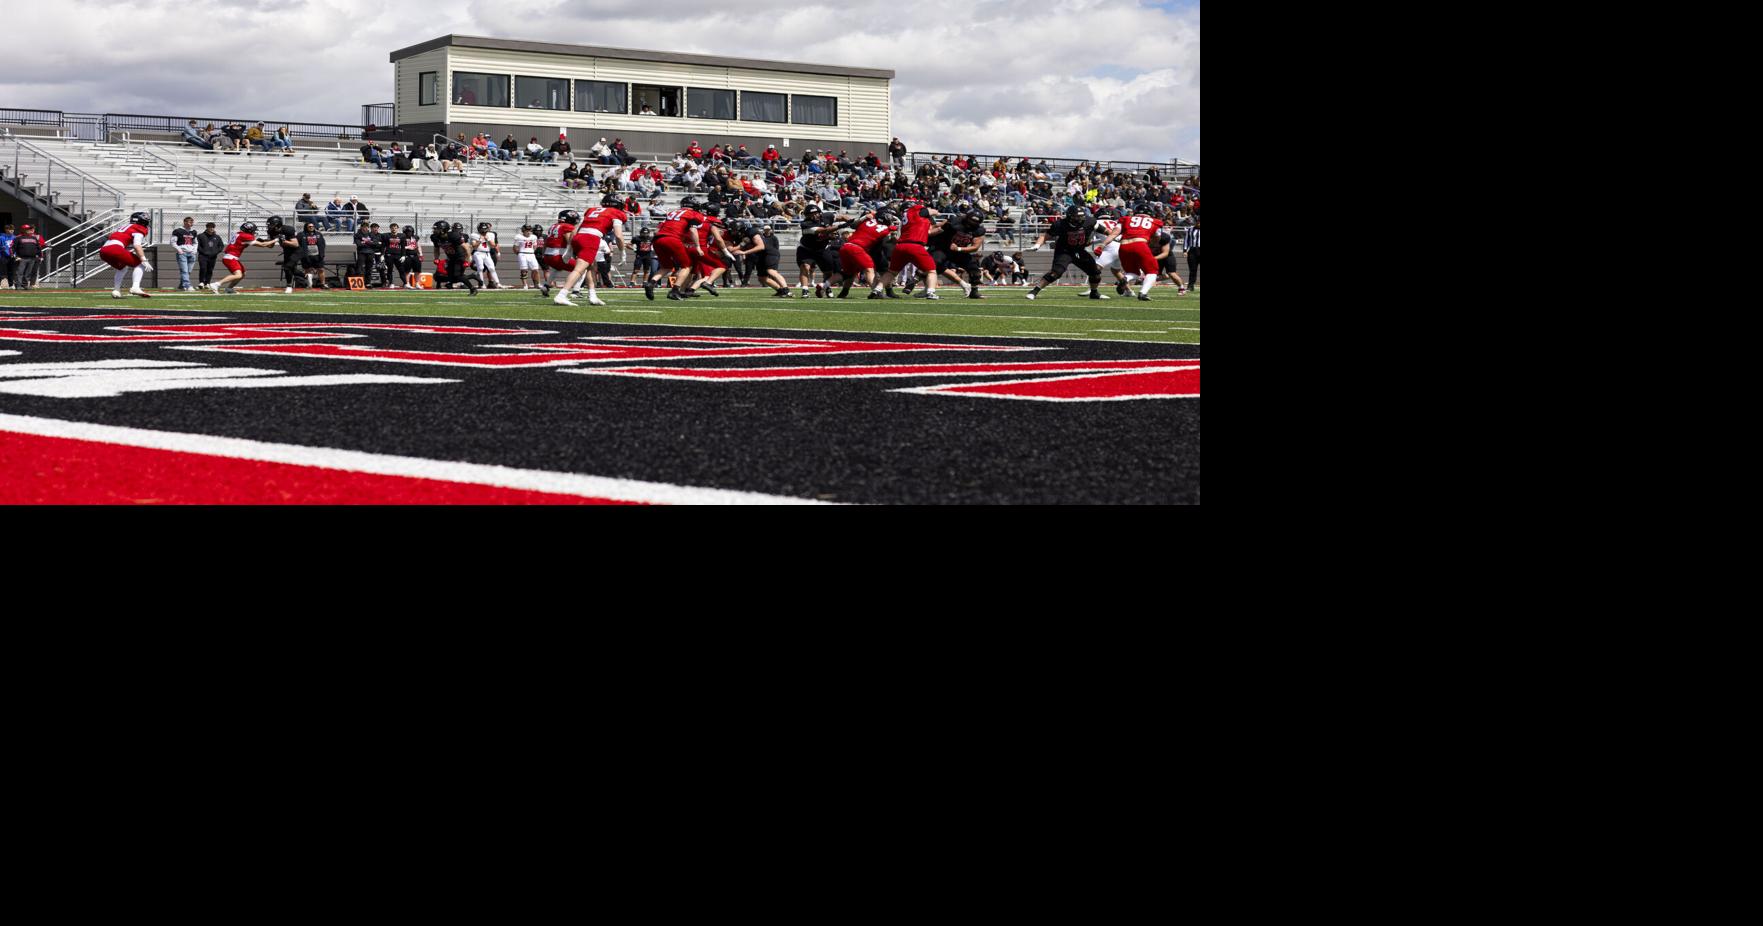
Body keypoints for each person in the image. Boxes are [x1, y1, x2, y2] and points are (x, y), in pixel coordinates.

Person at [555, 194, 629, 307]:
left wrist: (569, 248)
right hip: (590, 239)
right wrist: (623, 252)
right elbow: (618, 236)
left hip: (578, 237)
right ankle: (562, 295)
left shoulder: (592, 209)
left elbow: (576, 229)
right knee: (579, 269)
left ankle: (592, 295)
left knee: (591, 267)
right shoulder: (617, 213)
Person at [1025, 204, 1106, 300]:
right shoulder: (1060, 224)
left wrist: (1116, 236)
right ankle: (1034, 291)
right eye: (1077, 217)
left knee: (1095, 274)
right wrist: (1037, 245)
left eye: (1081, 216)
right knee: (1056, 273)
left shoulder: (1089, 221)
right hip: (1064, 251)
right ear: (1070, 216)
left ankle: (1094, 293)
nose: (1080, 219)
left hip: (1080, 251)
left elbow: (1105, 230)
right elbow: (1045, 236)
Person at [872, 202, 940, 299]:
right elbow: (931, 212)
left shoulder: (907, 218)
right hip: (915, 246)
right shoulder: (915, 211)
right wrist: (937, 212)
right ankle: (930, 292)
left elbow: (926, 231)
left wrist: (940, 227)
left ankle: (877, 290)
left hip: (901, 246)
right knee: (931, 271)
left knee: (891, 272)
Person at [208, 219, 277, 294]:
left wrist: (268, 240)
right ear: (249, 230)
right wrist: (276, 240)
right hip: (231, 257)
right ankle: (216, 284)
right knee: (238, 275)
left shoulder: (240, 234)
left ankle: (229, 289)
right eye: (253, 230)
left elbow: (263, 244)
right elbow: (263, 245)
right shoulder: (245, 236)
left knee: (242, 274)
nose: (254, 232)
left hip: (231, 257)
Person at [98, 211, 155, 298]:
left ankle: (116, 290)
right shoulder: (139, 228)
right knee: (141, 264)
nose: (147, 223)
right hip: (115, 248)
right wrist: (143, 259)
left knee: (122, 268)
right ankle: (135, 287)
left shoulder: (124, 227)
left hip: (103, 250)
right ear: (141, 221)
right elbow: (137, 246)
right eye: (146, 220)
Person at [8, 225, 46, 290]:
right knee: (19, 272)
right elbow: (12, 247)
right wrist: (14, 256)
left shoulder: (34, 238)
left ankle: (25, 285)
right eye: (27, 229)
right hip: (21, 258)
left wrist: (40, 256)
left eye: (29, 229)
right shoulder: (18, 238)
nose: (29, 230)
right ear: (23, 230)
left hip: (32, 258)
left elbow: (38, 248)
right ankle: (18, 285)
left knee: (28, 273)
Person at [295, 221, 329, 290]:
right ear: (306, 227)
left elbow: (323, 244)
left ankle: (322, 284)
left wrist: (322, 253)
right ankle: (309, 285)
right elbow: (297, 244)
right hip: (306, 256)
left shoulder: (319, 234)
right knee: (307, 270)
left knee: (321, 269)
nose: (311, 227)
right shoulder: (301, 235)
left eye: (312, 226)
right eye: (309, 226)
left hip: (317, 255)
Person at [171, 216, 199, 291]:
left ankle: (181, 285)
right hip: (182, 253)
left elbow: (195, 242)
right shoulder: (178, 231)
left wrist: (194, 251)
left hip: (191, 253)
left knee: (188, 271)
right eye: (190, 222)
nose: (191, 224)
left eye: (192, 222)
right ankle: (187, 285)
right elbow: (173, 242)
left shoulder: (194, 231)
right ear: (185, 222)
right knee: (184, 270)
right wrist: (179, 250)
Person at [356, 222, 387, 287]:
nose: (365, 228)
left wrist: (365, 242)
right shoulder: (358, 235)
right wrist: (369, 242)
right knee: (360, 268)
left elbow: (376, 244)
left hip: (373, 253)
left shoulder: (373, 235)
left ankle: (369, 283)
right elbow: (359, 244)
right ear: (361, 227)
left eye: (366, 227)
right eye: (364, 227)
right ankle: (361, 283)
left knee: (371, 268)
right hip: (363, 253)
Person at [471, 222, 502, 289]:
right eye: (482, 229)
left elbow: (493, 245)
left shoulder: (491, 234)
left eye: (485, 229)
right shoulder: (474, 235)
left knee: (492, 268)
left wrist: (488, 239)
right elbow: (474, 246)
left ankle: (497, 283)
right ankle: (482, 284)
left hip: (487, 253)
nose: (484, 231)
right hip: (478, 253)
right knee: (480, 268)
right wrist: (480, 240)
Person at [196, 222, 225, 287]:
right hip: (203, 256)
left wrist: (216, 252)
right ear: (207, 228)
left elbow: (221, 246)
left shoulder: (217, 237)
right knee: (203, 268)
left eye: (213, 227)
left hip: (213, 256)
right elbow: (197, 245)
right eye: (210, 227)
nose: (211, 229)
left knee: (210, 270)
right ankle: (201, 282)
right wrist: (202, 251)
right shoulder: (201, 236)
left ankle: (207, 283)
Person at [515, 225, 542, 289]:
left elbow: (535, 246)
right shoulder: (519, 237)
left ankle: (537, 284)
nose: (529, 232)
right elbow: (515, 247)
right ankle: (525, 285)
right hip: (522, 254)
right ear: (523, 231)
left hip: (531, 254)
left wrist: (532, 252)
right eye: (527, 231)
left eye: (530, 230)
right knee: (524, 270)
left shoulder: (533, 237)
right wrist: (519, 254)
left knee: (536, 269)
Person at [1182, 216, 1200, 292]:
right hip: (1193, 250)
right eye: (1198, 222)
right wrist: (1185, 250)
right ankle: (1190, 286)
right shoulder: (1190, 229)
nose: (1199, 224)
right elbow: (1186, 240)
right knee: (1192, 269)